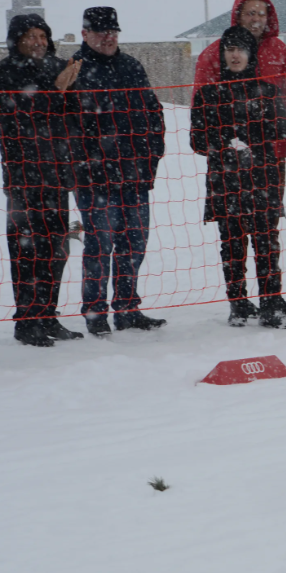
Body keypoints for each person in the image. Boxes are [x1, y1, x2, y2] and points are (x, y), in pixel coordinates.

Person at [192, 0, 286, 321]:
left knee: (266, 238)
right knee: (232, 241)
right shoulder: (209, 89)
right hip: (226, 176)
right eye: (230, 48)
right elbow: (198, 135)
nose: (235, 54)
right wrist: (226, 141)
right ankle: (238, 302)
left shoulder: (269, 87)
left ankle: (271, 298)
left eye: (241, 49)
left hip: (264, 173)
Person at [65, 7, 166, 336]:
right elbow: (65, 127)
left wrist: (151, 159)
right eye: (100, 31)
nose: (108, 37)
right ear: (85, 34)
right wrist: (84, 166)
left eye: (113, 31)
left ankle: (127, 309)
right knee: (100, 246)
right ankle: (95, 315)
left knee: (134, 244)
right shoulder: (74, 70)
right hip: (95, 179)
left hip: (135, 174)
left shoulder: (131, 66)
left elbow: (153, 114)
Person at [0, 13, 83, 346]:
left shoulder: (59, 66)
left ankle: (48, 316)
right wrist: (56, 90)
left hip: (57, 174)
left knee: (55, 248)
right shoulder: (6, 73)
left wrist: (69, 89)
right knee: (26, 252)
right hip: (23, 177)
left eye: (42, 36)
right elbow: (18, 120)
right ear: (17, 40)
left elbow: (76, 114)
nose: (37, 41)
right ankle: (27, 321)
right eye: (30, 36)